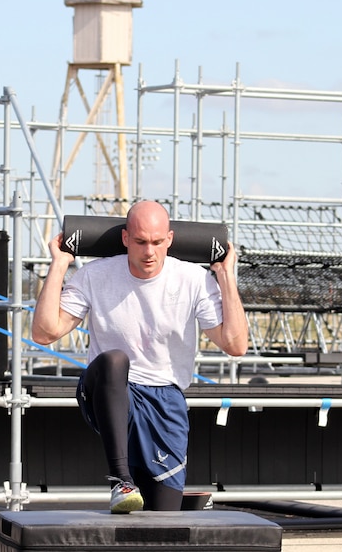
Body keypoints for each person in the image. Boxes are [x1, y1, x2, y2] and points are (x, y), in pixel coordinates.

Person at [31, 200, 248, 513]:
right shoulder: (96, 275)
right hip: (109, 392)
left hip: (165, 401)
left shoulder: (193, 279)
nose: (150, 252)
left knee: (164, 516)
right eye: (141, 242)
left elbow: (235, 345)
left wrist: (226, 275)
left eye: (158, 242)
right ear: (125, 239)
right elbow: (44, 332)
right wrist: (59, 264)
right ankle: (121, 480)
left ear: (170, 239)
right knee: (114, 360)